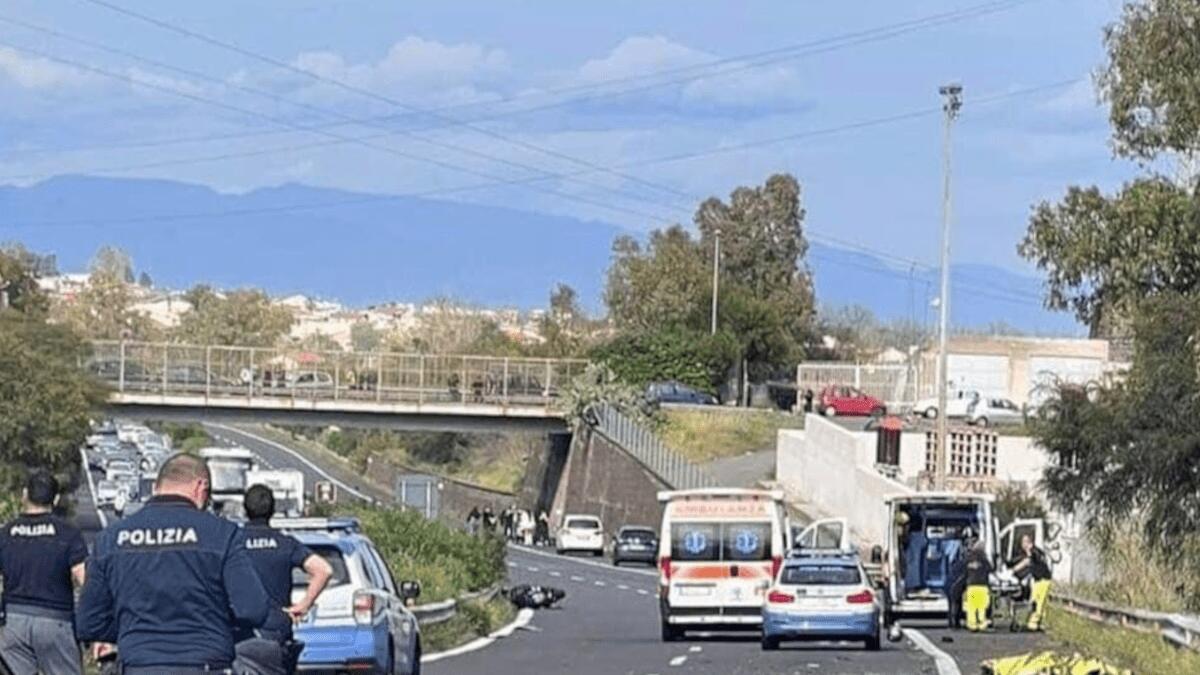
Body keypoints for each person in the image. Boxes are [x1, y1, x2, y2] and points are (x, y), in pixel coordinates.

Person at [77, 453, 271, 674]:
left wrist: (131, 628)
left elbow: (88, 622)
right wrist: (216, 621)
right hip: (206, 663)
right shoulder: (222, 534)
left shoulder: (110, 539)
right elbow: (253, 610)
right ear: (201, 487)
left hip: (140, 664)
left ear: (157, 488)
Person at [235, 485, 333, 675]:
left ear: (245, 510)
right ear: (272, 511)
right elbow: (324, 570)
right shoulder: (285, 543)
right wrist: (304, 605)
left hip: (239, 634)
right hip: (275, 635)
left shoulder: (233, 542)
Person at [0, 471, 88, 675]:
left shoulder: (5, 534)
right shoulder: (68, 533)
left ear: (24, 495)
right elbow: (85, 580)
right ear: (55, 499)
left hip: (14, 621)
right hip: (56, 621)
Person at [1009, 534, 1052, 631]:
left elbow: (1027, 562)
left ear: (1029, 542)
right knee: (1035, 600)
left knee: (1038, 602)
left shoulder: (1034, 552)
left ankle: (1033, 624)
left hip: (1043, 580)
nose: (1022, 545)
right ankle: (1037, 622)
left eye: (1024, 542)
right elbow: (1026, 563)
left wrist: (1013, 571)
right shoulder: (1035, 551)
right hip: (1039, 580)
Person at [962, 538, 993, 632]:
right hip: (982, 586)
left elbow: (964, 571)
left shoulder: (968, 558)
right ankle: (982, 624)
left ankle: (972, 625)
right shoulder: (984, 559)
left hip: (971, 585)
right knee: (981, 607)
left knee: (971, 607)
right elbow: (990, 569)